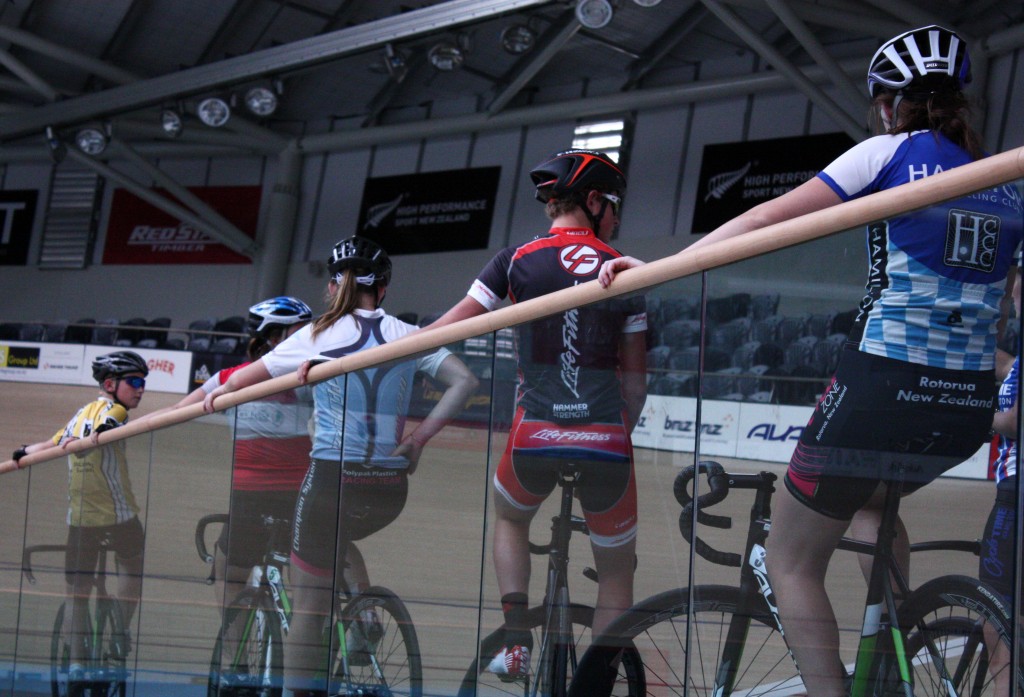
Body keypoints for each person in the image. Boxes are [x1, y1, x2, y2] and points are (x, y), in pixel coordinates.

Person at [600, 24, 1024, 696]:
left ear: (888, 105)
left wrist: (666, 269)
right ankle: (898, 636)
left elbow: (769, 221)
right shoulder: (1006, 185)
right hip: (967, 403)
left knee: (789, 557)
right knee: (869, 507)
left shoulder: (885, 153)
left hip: (883, 383)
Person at [202, 236, 478, 697]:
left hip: (331, 482)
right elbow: (464, 381)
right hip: (389, 487)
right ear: (383, 290)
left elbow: (231, 388)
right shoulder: (409, 334)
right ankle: (360, 620)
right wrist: (418, 439)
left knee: (310, 604)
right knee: (337, 551)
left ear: (333, 287)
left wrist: (216, 396)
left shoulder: (316, 336)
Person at [423, 148, 648, 681]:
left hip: (533, 440)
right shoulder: (625, 268)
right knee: (617, 570)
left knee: (510, 516)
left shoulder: (513, 259)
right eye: (613, 205)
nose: (616, 218)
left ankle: (517, 640)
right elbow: (636, 386)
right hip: (606, 442)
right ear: (592, 200)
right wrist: (613, 433)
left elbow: (447, 328)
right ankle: (596, 683)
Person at [142, 296, 315, 617]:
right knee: (310, 571)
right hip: (300, 490)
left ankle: (233, 656)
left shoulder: (226, 379)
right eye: (301, 331)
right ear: (279, 337)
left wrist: (123, 429)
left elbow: (177, 411)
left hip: (250, 495)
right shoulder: (306, 378)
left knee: (228, 573)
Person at [13, 350, 149, 688]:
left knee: (76, 594)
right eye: (134, 382)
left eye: (143, 382)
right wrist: (101, 432)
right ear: (109, 384)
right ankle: (121, 631)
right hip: (120, 517)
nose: (141, 388)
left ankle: (75, 664)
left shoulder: (79, 415)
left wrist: (24, 451)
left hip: (80, 521)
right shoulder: (112, 410)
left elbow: (51, 443)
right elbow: (113, 417)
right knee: (133, 567)